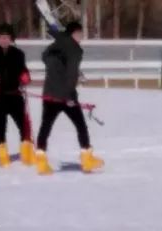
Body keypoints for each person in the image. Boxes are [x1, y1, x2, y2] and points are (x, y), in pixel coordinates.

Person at [34, 21, 103, 175]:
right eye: (78, 33)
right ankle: (87, 159)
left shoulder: (53, 48)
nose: (81, 36)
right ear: (71, 34)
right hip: (66, 97)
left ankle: (41, 160)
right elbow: (70, 75)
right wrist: (70, 95)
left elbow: (45, 58)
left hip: (49, 94)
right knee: (81, 126)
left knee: (45, 127)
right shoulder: (75, 50)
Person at [0, 22, 33, 167]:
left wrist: (25, 77)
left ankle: (26, 153)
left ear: (11, 39)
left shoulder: (18, 54)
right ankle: (2, 155)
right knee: (0, 126)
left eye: (7, 37)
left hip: (15, 94)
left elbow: (23, 70)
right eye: (1, 37)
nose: (4, 40)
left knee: (24, 125)